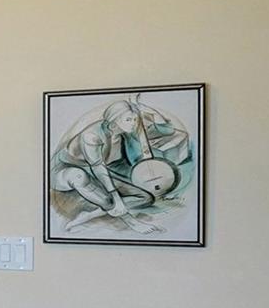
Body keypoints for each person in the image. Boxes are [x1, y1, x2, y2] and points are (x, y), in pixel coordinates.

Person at [50, 97, 190, 232]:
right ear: (114, 120)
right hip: (66, 170)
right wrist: (116, 197)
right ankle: (131, 221)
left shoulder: (127, 131)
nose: (133, 123)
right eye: (128, 120)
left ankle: (94, 213)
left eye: (134, 119)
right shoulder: (91, 136)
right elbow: (97, 167)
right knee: (81, 177)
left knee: (146, 198)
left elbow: (167, 130)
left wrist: (147, 110)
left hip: (98, 172)